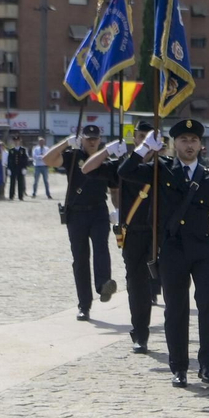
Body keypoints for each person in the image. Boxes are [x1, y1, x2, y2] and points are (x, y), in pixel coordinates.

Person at [122, 119, 209, 386]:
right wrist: (144, 148)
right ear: (174, 144)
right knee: (176, 310)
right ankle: (179, 367)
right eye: (184, 140)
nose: (189, 145)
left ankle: (207, 365)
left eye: (194, 140)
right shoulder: (160, 170)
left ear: (201, 145)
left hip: (204, 251)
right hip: (173, 250)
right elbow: (125, 171)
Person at [84, 121, 162, 352]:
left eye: (150, 137)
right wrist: (107, 150)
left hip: (161, 233)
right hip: (134, 233)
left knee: (170, 283)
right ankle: (140, 334)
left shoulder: (165, 166)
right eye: (141, 136)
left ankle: (176, 333)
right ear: (134, 139)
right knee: (137, 285)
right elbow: (87, 169)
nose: (145, 141)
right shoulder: (123, 165)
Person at [43, 123, 120, 320]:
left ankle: (103, 285)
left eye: (95, 138)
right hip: (76, 214)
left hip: (99, 211)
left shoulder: (105, 160)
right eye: (88, 139)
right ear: (82, 140)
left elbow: (114, 190)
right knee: (80, 259)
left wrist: (118, 210)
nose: (92, 142)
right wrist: (66, 143)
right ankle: (84, 305)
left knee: (101, 248)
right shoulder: (73, 157)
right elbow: (47, 160)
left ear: (100, 140)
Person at [2, 135, 28, 200]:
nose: (16, 142)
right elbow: (9, 160)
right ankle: (11, 196)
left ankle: (20, 196)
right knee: (12, 182)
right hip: (13, 168)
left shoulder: (23, 150)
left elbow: (25, 159)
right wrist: (9, 168)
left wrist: (24, 168)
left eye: (17, 141)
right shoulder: (11, 150)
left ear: (19, 141)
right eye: (15, 141)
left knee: (20, 182)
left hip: (20, 168)